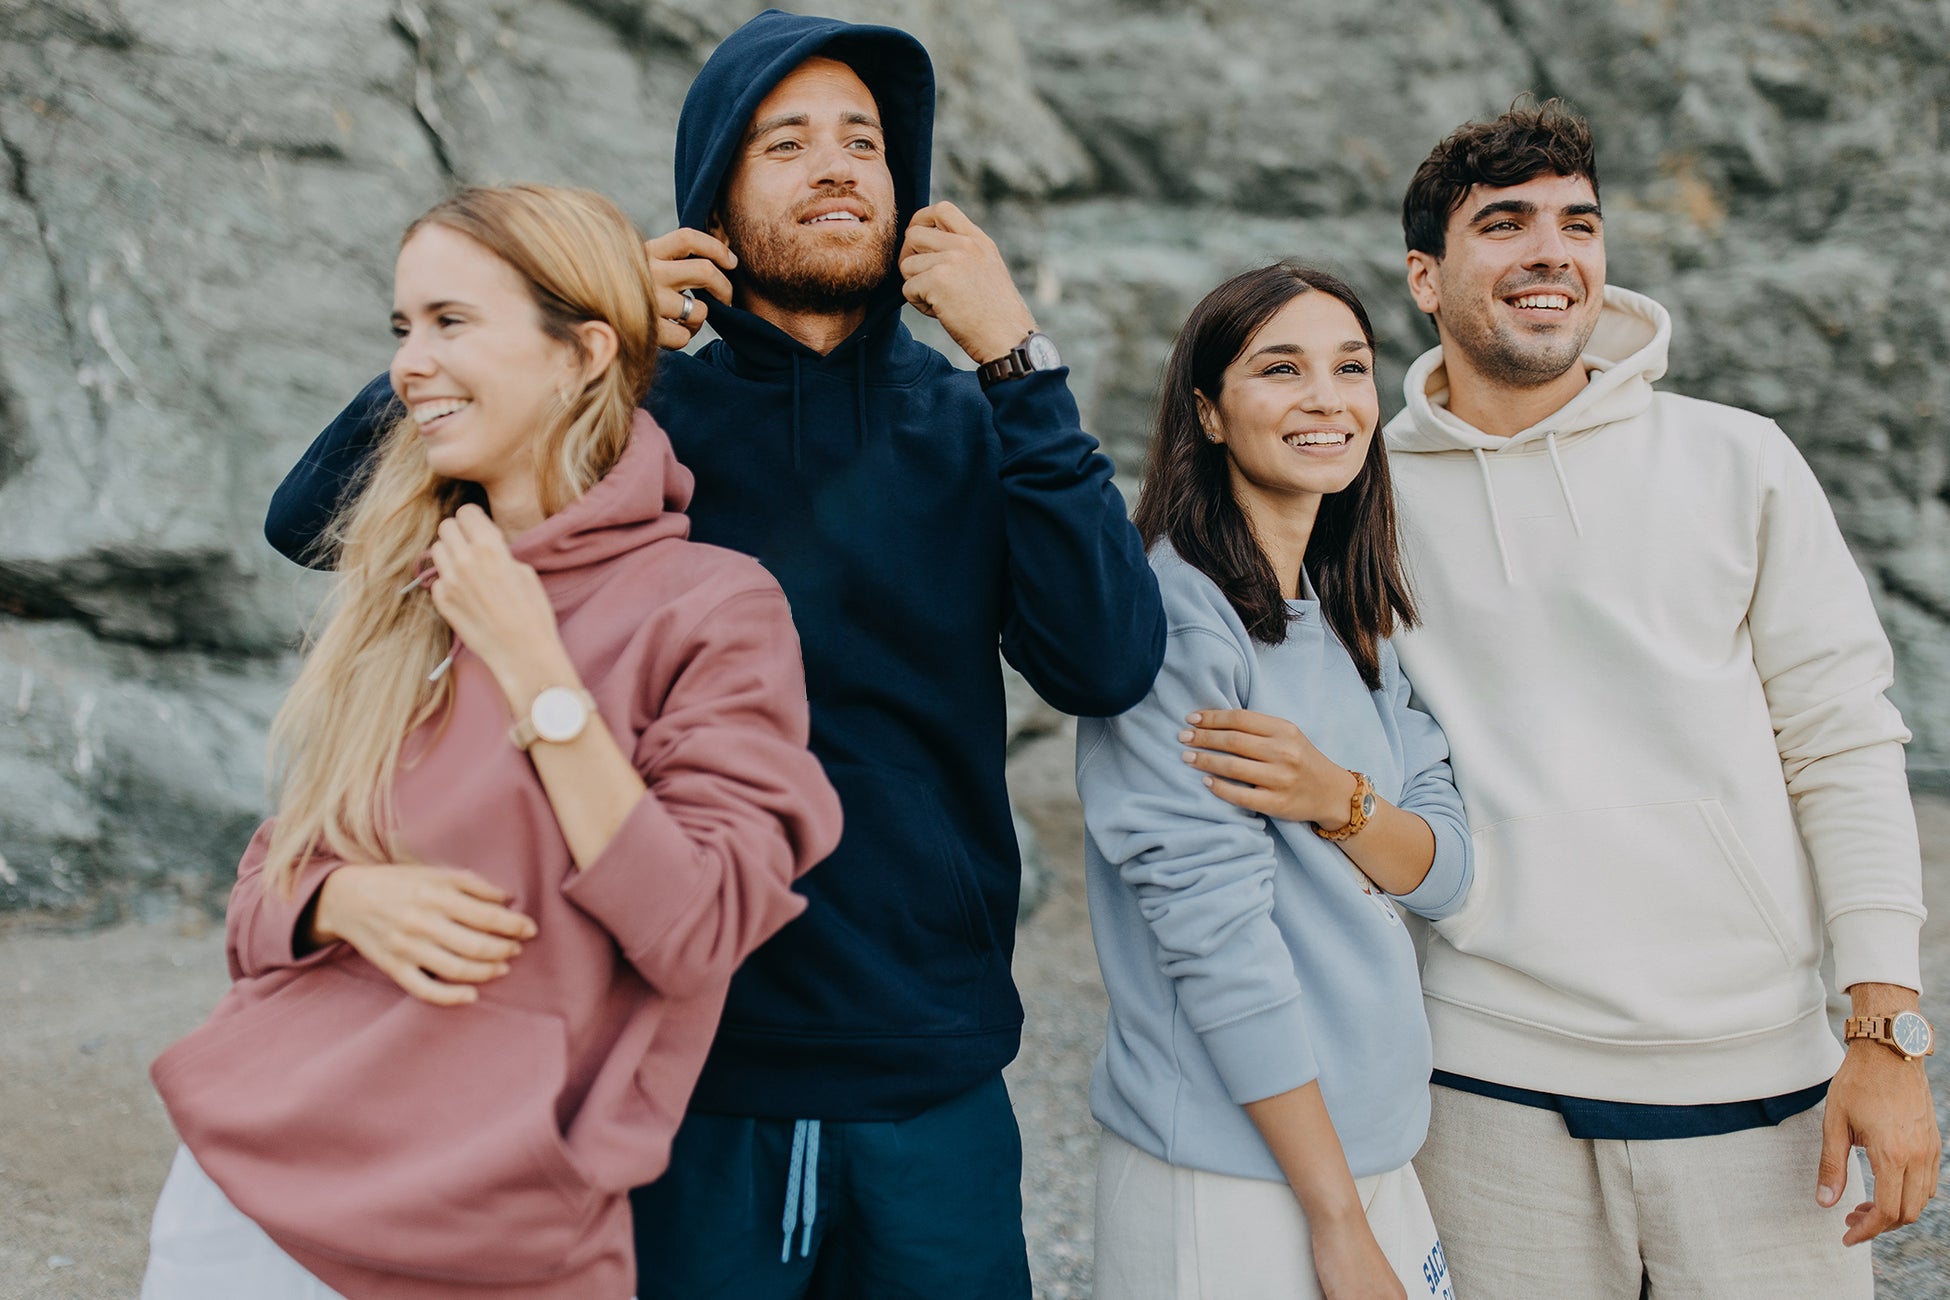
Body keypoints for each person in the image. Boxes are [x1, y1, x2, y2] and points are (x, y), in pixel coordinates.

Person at [261, 12, 1166, 1297]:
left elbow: (1112, 659)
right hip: (675, 1060)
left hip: (931, 1059)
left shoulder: (976, 422)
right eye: (784, 142)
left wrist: (1020, 360)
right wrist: (584, 332)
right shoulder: (625, 419)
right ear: (716, 202)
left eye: (864, 140)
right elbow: (315, 523)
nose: (839, 164)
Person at [1190, 101, 1939, 1298]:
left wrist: (1885, 1031)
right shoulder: (1358, 493)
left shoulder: (1736, 459)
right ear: (1425, 276)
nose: (1553, 252)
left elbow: (1845, 741)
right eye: (1507, 224)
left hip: (1758, 1088)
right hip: (1482, 1089)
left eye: (1577, 223)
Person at [141, 183, 842, 1299]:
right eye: (402, 326)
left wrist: (540, 676)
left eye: (452, 322)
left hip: (500, 1230)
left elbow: (698, 929)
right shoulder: (406, 577)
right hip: (248, 1203)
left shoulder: (714, 606)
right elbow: (264, 883)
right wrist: (337, 901)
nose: (412, 362)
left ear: (581, 354)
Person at [1077, 262, 1472, 1300]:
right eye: (1280, 368)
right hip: (1237, 1171)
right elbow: (1218, 940)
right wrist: (1334, 1218)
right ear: (1207, 411)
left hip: (1371, 1145)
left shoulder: (1350, 612)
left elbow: (1443, 868)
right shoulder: (1178, 616)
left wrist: (1334, 797)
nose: (1326, 398)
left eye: (1350, 366)